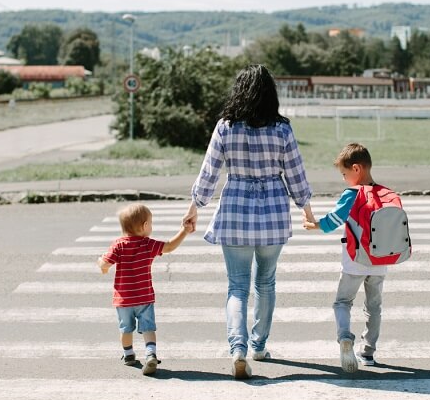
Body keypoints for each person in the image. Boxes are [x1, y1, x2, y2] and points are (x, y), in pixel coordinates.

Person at [182, 64, 314, 380]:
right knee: (266, 282)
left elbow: (209, 172)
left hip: (235, 211)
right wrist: (306, 210)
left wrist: (194, 206)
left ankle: (238, 350)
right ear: (270, 93)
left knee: (236, 286)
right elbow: (295, 172)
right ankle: (259, 345)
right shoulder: (282, 129)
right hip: (272, 214)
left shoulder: (225, 127)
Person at [303, 143, 386, 373]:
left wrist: (315, 225)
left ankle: (345, 338)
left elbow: (334, 219)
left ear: (356, 169)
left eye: (344, 174)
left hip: (355, 260)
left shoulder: (353, 194)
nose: (344, 179)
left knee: (342, 302)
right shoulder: (385, 193)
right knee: (374, 306)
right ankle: (368, 352)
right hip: (380, 261)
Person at [97, 203, 193, 375]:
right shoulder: (148, 244)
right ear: (144, 226)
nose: (151, 225)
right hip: (144, 298)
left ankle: (128, 355)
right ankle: (150, 354)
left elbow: (105, 263)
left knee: (125, 329)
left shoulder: (118, 245)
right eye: (151, 222)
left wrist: (101, 265)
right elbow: (170, 246)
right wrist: (184, 231)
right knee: (148, 328)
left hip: (124, 299)